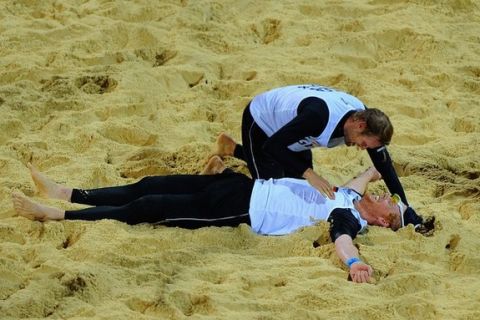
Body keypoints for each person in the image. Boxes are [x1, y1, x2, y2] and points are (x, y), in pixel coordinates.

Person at [12, 159, 420, 283]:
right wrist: (375, 172)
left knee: (150, 206)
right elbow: (360, 179)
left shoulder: (350, 217)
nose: (386, 199)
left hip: (243, 212)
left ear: (384, 223)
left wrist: (354, 264)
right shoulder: (351, 196)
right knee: (153, 182)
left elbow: (342, 240)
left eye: (392, 207)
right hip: (241, 186)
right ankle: (69, 193)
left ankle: (55, 214)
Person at [215, 84, 423, 225]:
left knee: (302, 193)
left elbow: (384, 166)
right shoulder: (319, 118)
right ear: (360, 125)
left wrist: (406, 207)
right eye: (364, 143)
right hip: (262, 124)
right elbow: (273, 146)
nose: (362, 148)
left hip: (295, 131)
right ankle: (221, 171)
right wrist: (310, 174)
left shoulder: (367, 117)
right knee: (274, 193)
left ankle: (232, 149)